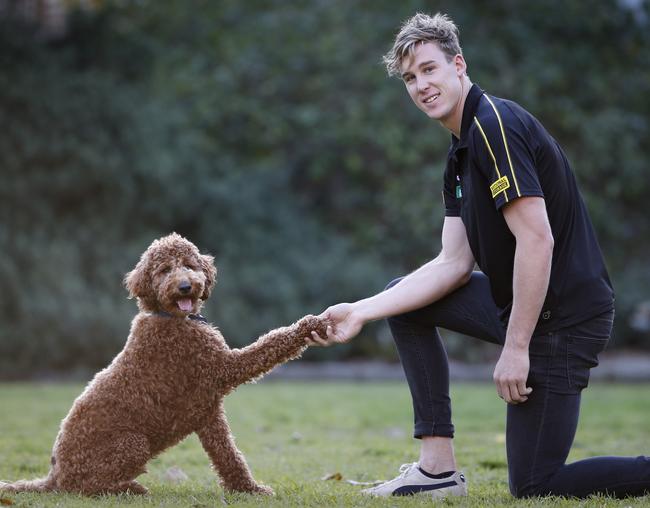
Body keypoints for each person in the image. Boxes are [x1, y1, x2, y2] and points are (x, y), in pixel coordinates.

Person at [307, 12, 650, 500]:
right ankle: (436, 471)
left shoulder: (495, 127)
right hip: (531, 312)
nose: (421, 85)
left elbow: (538, 241)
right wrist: (359, 311)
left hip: (566, 321)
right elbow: (452, 265)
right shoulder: (460, 154)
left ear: (458, 65)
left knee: (535, 485)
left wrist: (515, 349)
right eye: (410, 78)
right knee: (402, 302)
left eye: (429, 69)